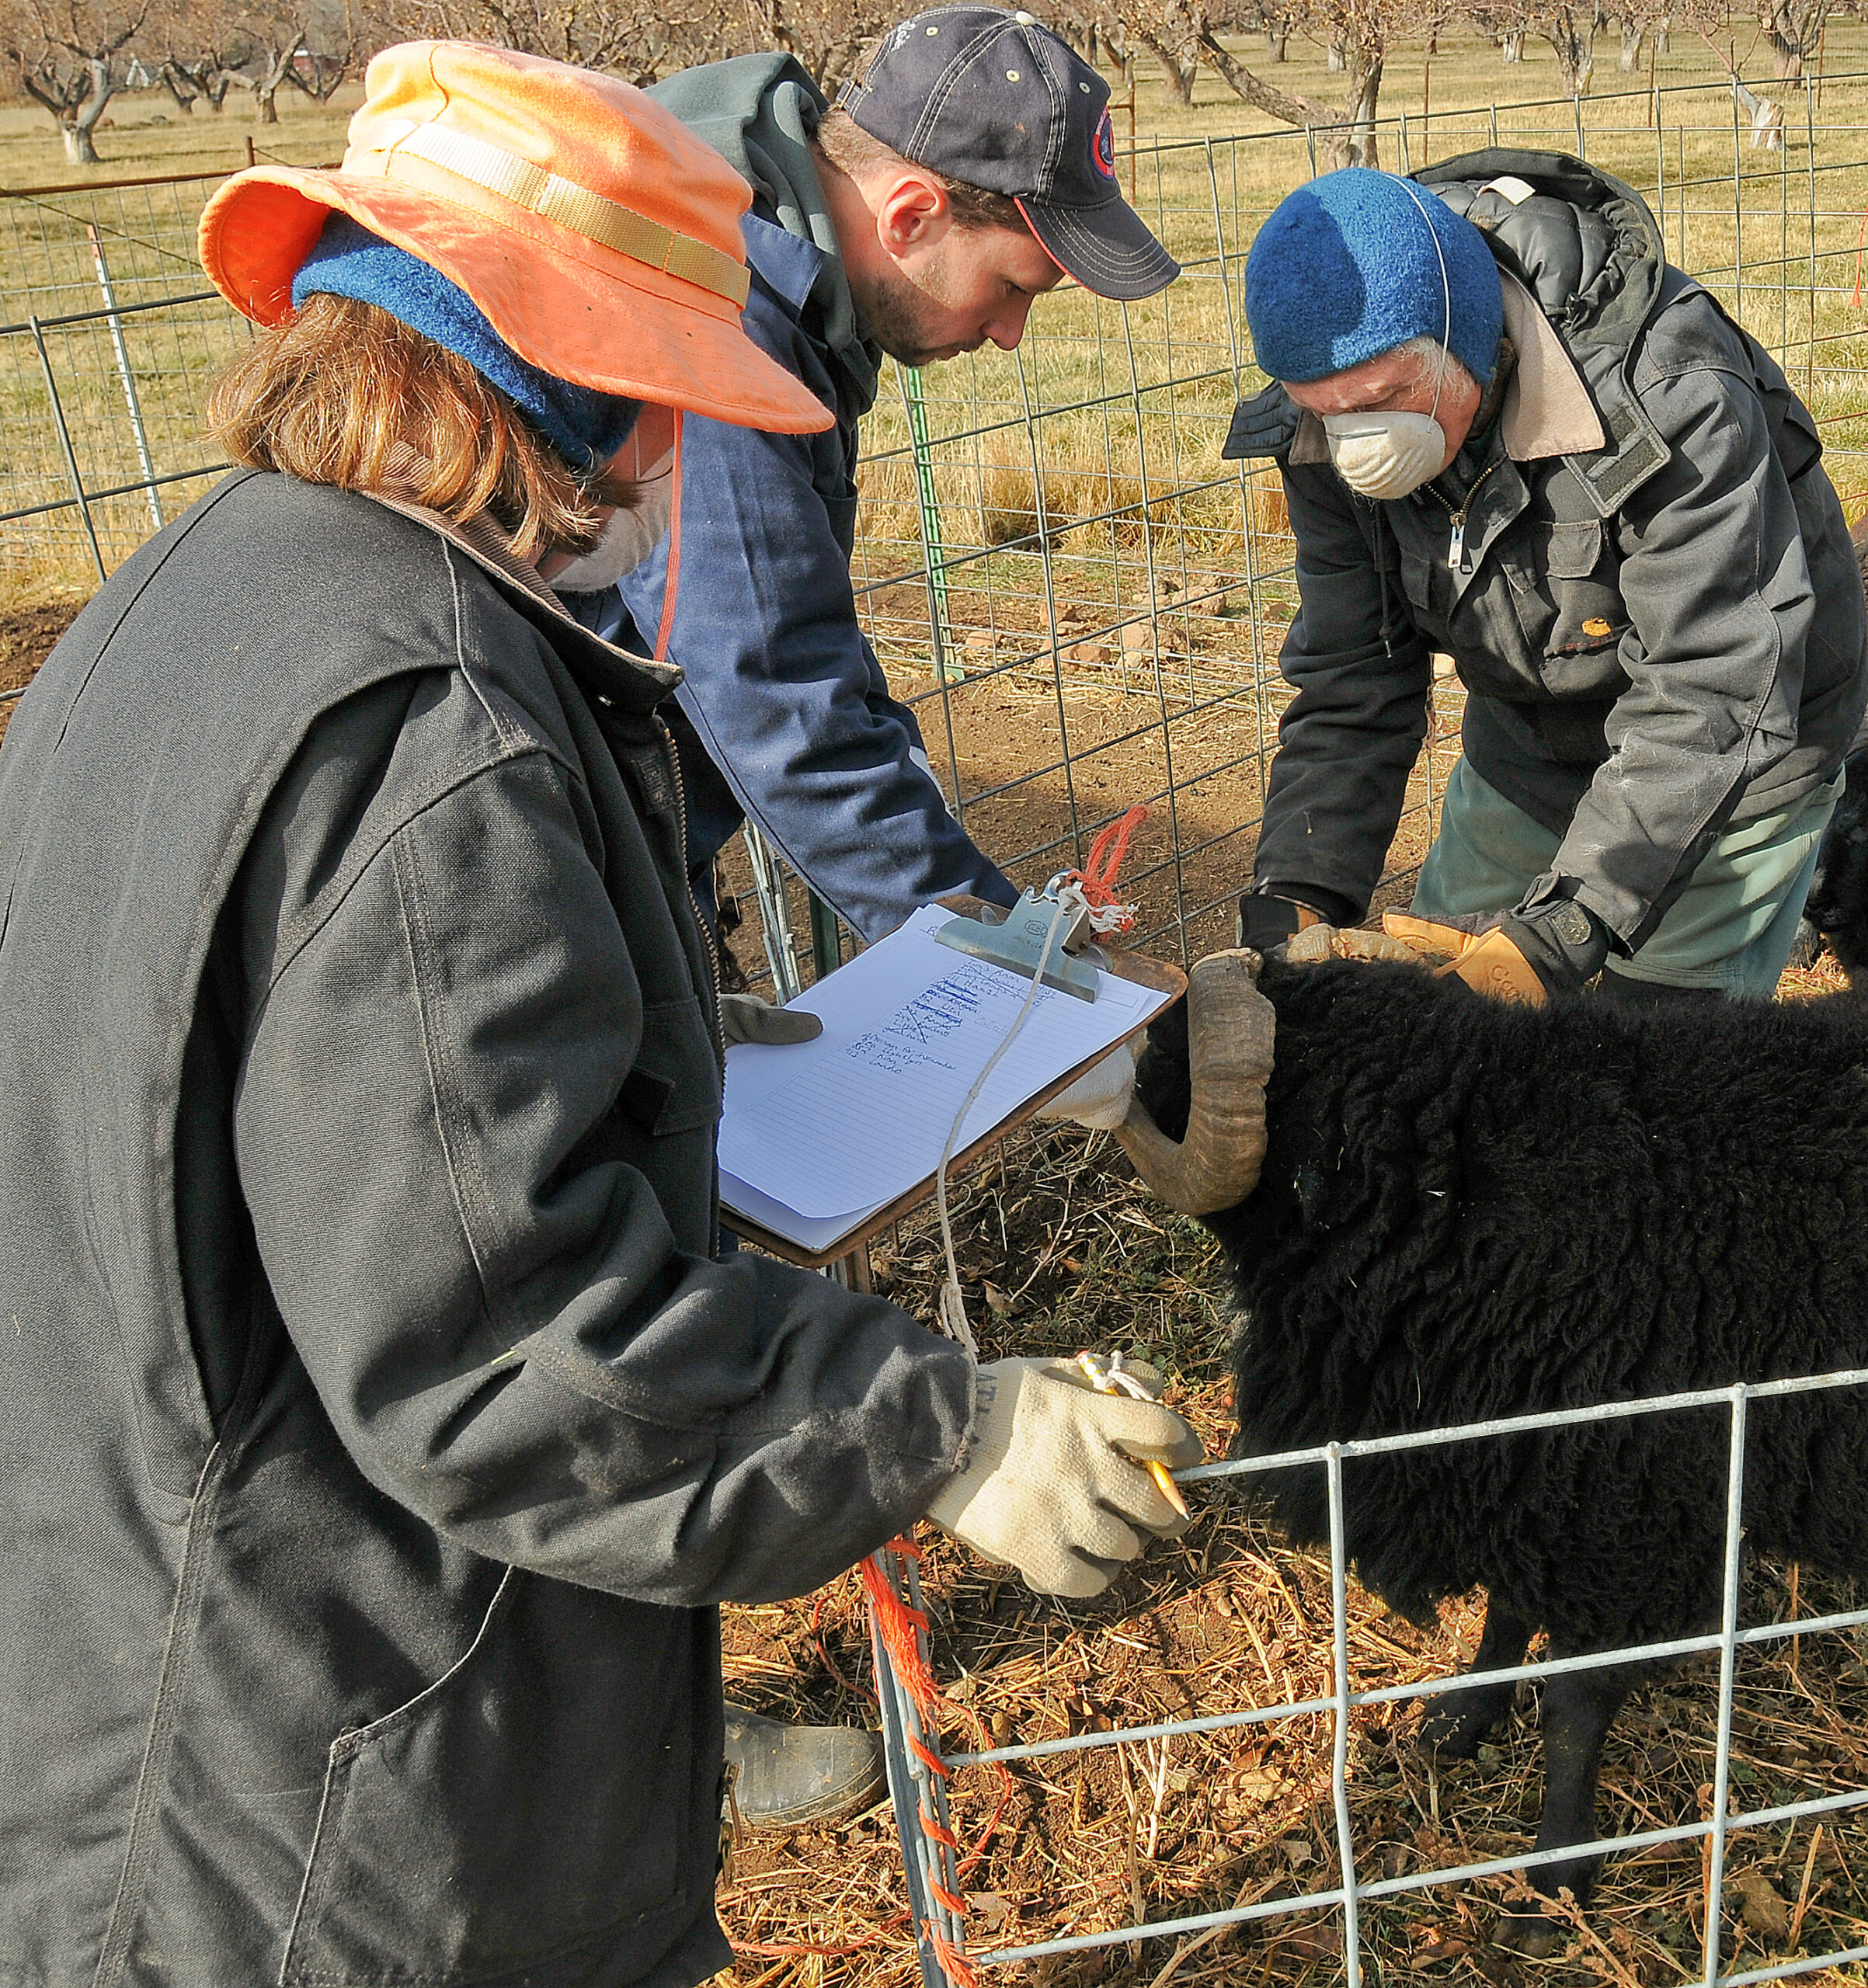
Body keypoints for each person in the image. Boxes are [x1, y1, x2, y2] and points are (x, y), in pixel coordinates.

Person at [0, 43, 1202, 1986]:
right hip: (340, 1805)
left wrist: (657, 1022)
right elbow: (506, 1326)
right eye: (663, 414)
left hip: (141, 1609)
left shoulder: (193, 595)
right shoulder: (434, 736)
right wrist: (935, 1433)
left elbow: (270, 1081)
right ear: (575, 394)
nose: (669, 473)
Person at [565, 5, 1181, 944]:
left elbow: (791, 627)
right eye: (1015, 286)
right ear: (909, 215)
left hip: (586, 828)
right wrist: (1013, 968)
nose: (1010, 334)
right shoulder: (714, 318)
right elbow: (776, 702)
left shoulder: (776, 278)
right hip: (521, 859)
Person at [1223, 158, 1868, 1005]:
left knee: (1656, 1065)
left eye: (1380, 399)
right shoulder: (1323, 439)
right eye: (1323, 410)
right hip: (1531, 741)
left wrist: (1566, 928)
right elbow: (1353, 674)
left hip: (1737, 747)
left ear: (1467, 335)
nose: (1356, 447)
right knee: (1449, 1027)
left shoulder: (1670, 392)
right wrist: (1296, 891)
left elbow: (1715, 683)